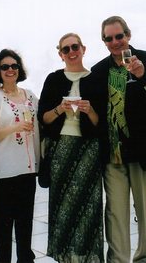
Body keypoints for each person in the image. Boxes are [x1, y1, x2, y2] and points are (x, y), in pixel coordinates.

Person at [91, 15, 146, 263]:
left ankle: (145, 259)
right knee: (115, 215)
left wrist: (142, 74)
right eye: (109, 38)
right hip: (113, 154)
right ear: (104, 41)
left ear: (128, 35)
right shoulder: (98, 71)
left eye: (119, 36)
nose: (115, 42)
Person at [38, 33, 105, 263]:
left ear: (83, 48)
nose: (71, 52)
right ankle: (63, 257)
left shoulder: (96, 79)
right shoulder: (53, 79)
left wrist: (90, 111)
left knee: (90, 204)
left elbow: (101, 123)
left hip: (89, 148)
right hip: (60, 149)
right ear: (60, 54)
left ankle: (88, 258)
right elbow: (44, 119)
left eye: (74, 47)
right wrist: (59, 109)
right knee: (61, 205)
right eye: (65, 49)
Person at [0, 49, 40, 263]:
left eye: (14, 66)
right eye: (5, 66)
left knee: (25, 224)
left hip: (28, 169)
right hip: (4, 171)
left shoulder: (30, 96)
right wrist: (15, 127)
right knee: (3, 228)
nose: (10, 70)